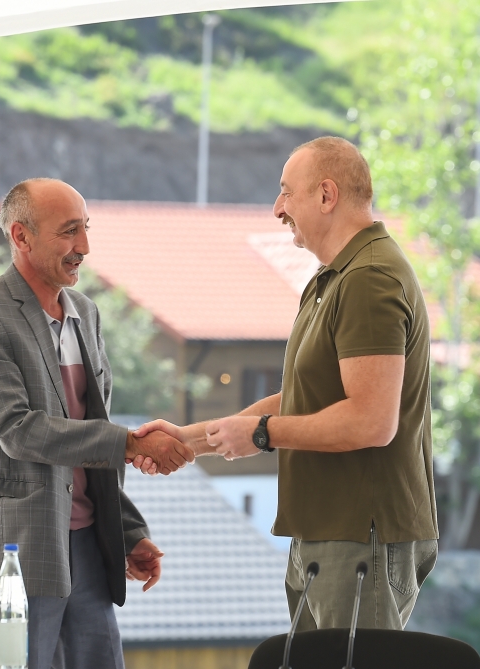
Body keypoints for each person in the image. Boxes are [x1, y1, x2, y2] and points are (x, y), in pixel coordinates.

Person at [136, 136, 438, 631]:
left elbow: (370, 421)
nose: (277, 208)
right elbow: (303, 400)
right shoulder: (332, 278)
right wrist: (188, 440)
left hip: (360, 535)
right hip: (324, 532)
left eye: (286, 192)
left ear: (326, 195)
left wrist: (263, 434)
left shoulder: (369, 279)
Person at [0, 178, 194, 669]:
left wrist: (127, 531)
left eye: (85, 229)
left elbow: (88, 436)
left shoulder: (85, 312)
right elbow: (19, 430)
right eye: (68, 232)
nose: (84, 246)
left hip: (88, 546)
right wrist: (130, 443)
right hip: (16, 549)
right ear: (21, 236)